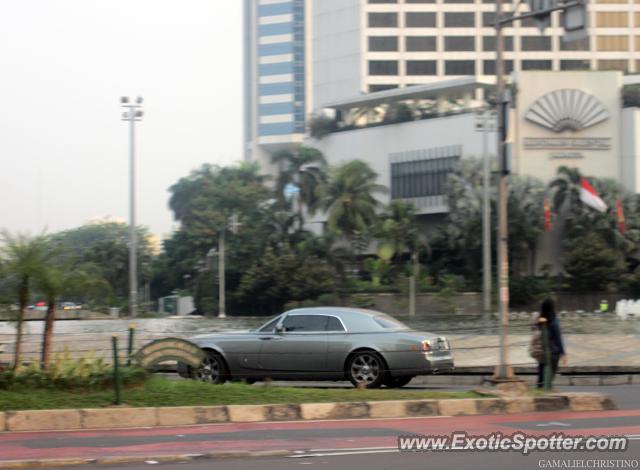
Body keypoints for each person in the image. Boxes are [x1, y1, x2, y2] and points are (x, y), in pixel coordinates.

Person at [536, 298, 567, 389]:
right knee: (549, 377)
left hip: (542, 351)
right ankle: (545, 391)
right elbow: (558, 338)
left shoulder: (541, 319)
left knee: (541, 375)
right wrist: (563, 353)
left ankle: (540, 391)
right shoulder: (554, 321)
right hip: (553, 353)